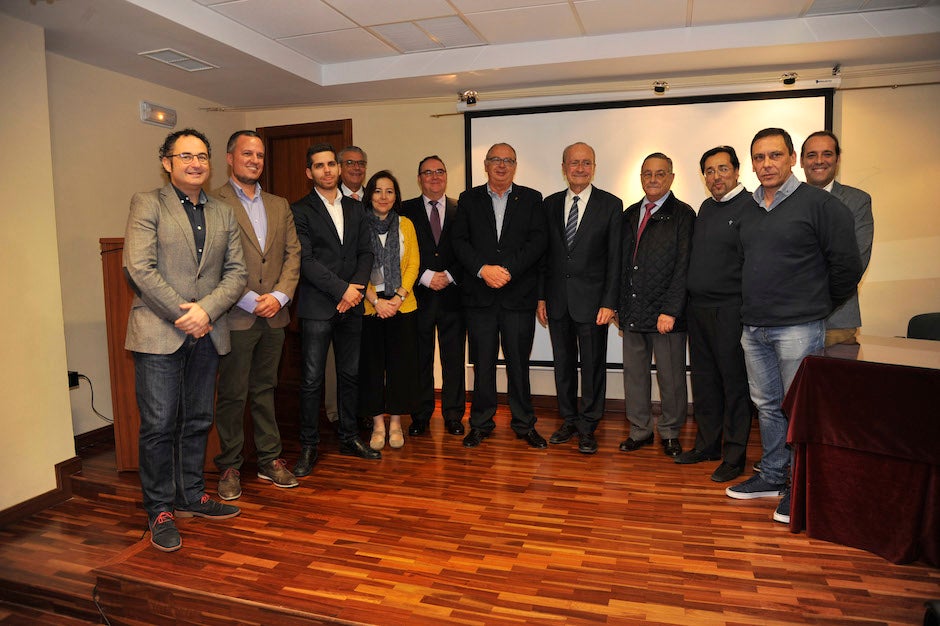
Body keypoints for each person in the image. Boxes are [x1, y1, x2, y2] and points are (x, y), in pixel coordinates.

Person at [726, 128, 862, 524]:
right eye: (759, 157)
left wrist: (816, 305)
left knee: (799, 410)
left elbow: (846, 267)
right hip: (754, 326)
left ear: (791, 159)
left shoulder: (820, 205)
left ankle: (798, 486)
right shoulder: (748, 210)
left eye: (775, 156)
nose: (766, 164)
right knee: (766, 406)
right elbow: (743, 263)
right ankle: (771, 475)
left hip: (799, 327)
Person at [123, 128, 248, 552]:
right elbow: (139, 268)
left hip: (209, 331)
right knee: (159, 426)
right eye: (185, 156)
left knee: (197, 420)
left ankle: (191, 495)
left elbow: (237, 273)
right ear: (167, 162)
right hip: (160, 331)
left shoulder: (224, 211)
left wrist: (206, 311)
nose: (195, 163)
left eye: (202, 156)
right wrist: (185, 313)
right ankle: (159, 508)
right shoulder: (147, 203)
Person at [211, 130, 301, 500]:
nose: (254, 160)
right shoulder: (213, 202)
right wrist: (249, 299)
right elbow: (212, 260)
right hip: (236, 315)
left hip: (275, 316)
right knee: (232, 395)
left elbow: (293, 254)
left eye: (260, 155)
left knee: (265, 390)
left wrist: (279, 296)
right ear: (230, 158)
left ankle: (269, 459)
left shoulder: (280, 204)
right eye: (247, 154)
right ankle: (230, 465)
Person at [452, 143, 548, 449]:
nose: (502, 165)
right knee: (482, 364)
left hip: (518, 297)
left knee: (519, 364)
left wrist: (506, 270)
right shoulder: (468, 199)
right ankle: (480, 423)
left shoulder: (532, 198)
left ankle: (524, 424)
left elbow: (537, 241)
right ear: (486, 164)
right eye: (496, 160)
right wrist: (483, 269)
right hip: (479, 298)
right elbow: (459, 241)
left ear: (515, 166)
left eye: (508, 161)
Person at [291, 142, 379, 476]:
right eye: (319, 166)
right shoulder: (299, 210)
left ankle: (348, 437)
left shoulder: (357, 209)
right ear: (309, 172)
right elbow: (305, 259)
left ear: (339, 169)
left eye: (331, 164)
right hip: (317, 306)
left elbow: (365, 254)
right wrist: (342, 290)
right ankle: (309, 446)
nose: (327, 170)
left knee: (350, 375)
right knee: (312, 380)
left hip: (352, 306)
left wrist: (353, 292)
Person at [537, 142, 622, 455]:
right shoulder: (549, 204)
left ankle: (588, 426)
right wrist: (542, 296)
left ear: (594, 167)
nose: (580, 168)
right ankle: (568, 420)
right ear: (564, 167)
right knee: (563, 365)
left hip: (593, 304)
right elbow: (544, 257)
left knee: (592, 367)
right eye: (574, 163)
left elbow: (615, 259)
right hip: (557, 300)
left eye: (587, 163)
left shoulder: (611, 205)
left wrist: (610, 302)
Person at [676, 146, 753, 482]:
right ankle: (708, 445)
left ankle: (735, 455)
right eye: (709, 170)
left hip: (731, 310)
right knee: (705, 382)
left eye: (722, 169)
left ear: (737, 171)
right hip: (700, 309)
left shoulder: (752, 206)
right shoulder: (706, 207)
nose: (716, 176)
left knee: (734, 384)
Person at [618, 152, 694, 458]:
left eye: (660, 174)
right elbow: (620, 264)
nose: (653, 179)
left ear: (671, 178)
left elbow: (684, 266)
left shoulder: (684, 215)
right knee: (634, 376)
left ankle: (671, 432)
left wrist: (671, 310)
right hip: (632, 310)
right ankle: (640, 431)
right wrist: (618, 305)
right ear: (640, 178)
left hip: (666, 316)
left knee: (671, 378)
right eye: (647, 173)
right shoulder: (629, 214)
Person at [398, 156, 467, 437]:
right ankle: (421, 415)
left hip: (454, 296)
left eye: (440, 171)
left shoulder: (461, 209)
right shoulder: (404, 210)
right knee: (420, 359)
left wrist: (449, 275)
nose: (434, 177)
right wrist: (425, 276)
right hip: (418, 296)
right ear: (419, 178)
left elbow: (470, 249)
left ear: (446, 176)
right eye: (428, 172)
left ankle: (453, 415)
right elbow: (400, 252)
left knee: (454, 360)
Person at [358, 171, 421, 450]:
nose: (383, 197)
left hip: (402, 306)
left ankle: (395, 423)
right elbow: (356, 267)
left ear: (396, 197)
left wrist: (397, 297)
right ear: (369, 194)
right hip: (370, 307)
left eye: (390, 191)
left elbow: (413, 264)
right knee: (372, 368)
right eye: (378, 191)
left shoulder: (406, 224)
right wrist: (376, 300)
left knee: (400, 366)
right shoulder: (358, 224)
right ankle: (378, 424)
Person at [800, 130, 874, 347]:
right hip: (790, 323)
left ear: (838, 159)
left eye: (827, 154)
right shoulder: (783, 202)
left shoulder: (857, 201)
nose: (819, 161)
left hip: (837, 321)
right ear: (801, 161)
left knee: (836, 382)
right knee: (793, 382)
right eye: (812, 155)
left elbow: (855, 261)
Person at [324, 145, 370, 427]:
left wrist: (358, 288)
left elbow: (368, 251)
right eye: (350, 163)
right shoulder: (328, 201)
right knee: (332, 364)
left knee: (362, 360)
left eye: (361, 163)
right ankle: (336, 414)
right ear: (340, 167)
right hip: (332, 296)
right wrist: (343, 290)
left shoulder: (374, 197)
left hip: (367, 294)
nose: (356, 168)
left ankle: (360, 412)